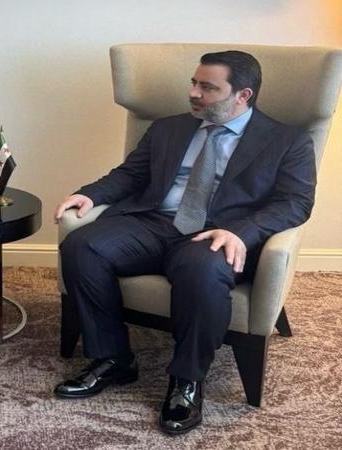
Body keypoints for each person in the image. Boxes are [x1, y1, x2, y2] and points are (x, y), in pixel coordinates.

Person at [53, 51, 315, 435]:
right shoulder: (168, 127)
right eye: (193, 83)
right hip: (154, 223)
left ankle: (187, 380)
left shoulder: (288, 140)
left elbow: (295, 202)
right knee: (82, 246)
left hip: (218, 232)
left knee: (202, 270)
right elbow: (129, 175)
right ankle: (113, 359)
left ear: (242, 95)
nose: (193, 93)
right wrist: (90, 194)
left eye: (207, 87)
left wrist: (242, 231)